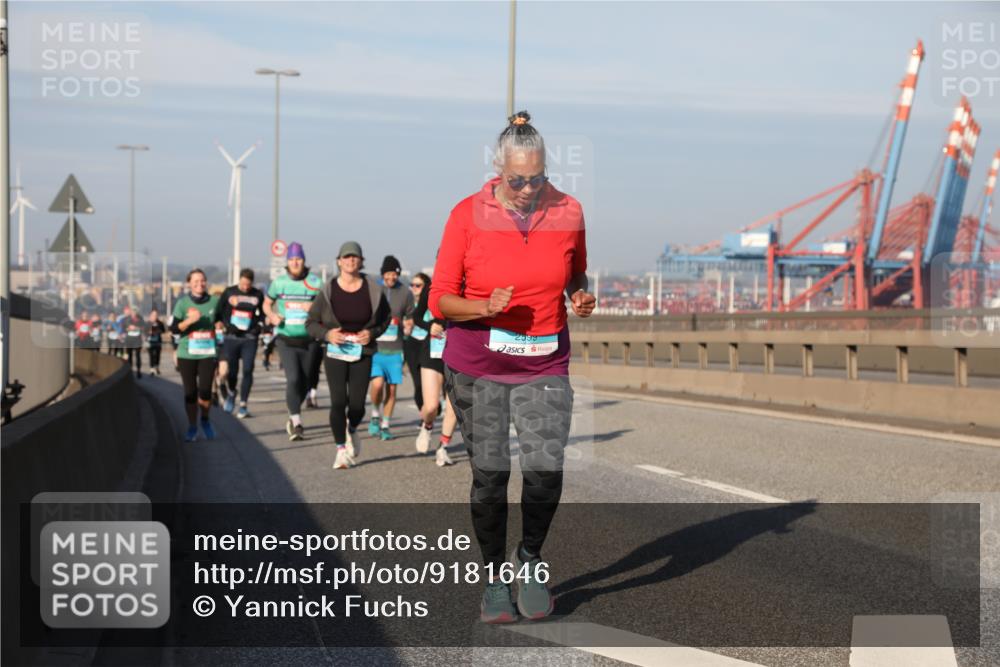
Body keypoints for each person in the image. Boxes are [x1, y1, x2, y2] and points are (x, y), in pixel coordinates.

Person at [429, 111, 596, 623]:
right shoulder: (465, 214)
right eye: (517, 180)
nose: (527, 189)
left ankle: (530, 560)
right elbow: (439, 300)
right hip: (477, 363)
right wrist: (483, 308)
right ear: (498, 171)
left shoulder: (569, 210)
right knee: (492, 473)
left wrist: (580, 294)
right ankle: (496, 575)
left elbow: (576, 268)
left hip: (544, 360)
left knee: (545, 469)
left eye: (538, 178)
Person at [307, 241, 390, 470]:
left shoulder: (373, 289)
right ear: (339, 261)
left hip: (362, 352)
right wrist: (327, 334)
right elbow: (310, 322)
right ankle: (341, 450)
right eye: (346, 257)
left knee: (356, 406)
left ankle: (352, 428)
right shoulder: (328, 289)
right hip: (335, 352)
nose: (351, 260)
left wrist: (371, 333)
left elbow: (385, 320)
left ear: (361, 261)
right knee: (338, 402)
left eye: (355, 257)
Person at [263, 242, 323, 441]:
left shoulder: (315, 282)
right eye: (292, 259)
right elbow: (266, 303)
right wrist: (272, 315)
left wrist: (313, 308)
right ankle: (296, 421)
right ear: (287, 262)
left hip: (310, 340)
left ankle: (296, 409)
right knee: (294, 379)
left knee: (306, 382)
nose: (295, 263)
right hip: (286, 339)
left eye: (298, 259)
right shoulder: (279, 283)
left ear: (304, 261)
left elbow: (326, 307)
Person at [411, 275, 458, 467]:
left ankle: (443, 448)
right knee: (430, 406)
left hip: (458, 351)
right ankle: (427, 426)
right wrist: (430, 325)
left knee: (453, 405)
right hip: (433, 349)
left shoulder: (471, 286)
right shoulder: (432, 288)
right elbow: (417, 316)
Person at [170, 268, 221, 442]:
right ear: (189, 284)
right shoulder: (182, 304)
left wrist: (221, 324)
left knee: (206, 391)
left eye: (202, 280)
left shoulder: (214, 301)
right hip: (187, 353)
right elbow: (174, 329)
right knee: (190, 393)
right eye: (196, 281)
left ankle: (205, 420)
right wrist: (189, 321)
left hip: (207, 352)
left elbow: (223, 319)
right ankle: (192, 426)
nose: (200, 284)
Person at [367, 255, 415, 441]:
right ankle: (374, 415)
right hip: (377, 348)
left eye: (395, 274)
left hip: (396, 350)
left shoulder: (405, 293)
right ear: (382, 274)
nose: (391, 277)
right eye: (388, 274)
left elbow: (410, 316)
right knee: (377, 384)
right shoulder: (375, 290)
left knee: (392, 390)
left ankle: (385, 425)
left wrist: (408, 325)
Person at [216, 268, 265, 418]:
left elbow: (263, 314)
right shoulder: (229, 292)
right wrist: (226, 325)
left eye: (248, 285)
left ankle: (243, 404)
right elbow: (219, 312)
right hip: (232, 337)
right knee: (232, 371)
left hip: (249, 338)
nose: (245, 287)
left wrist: (258, 327)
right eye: (243, 284)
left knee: (248, 369)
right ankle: (231, 392)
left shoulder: (257, 295)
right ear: (239, 280)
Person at [403, 272, 430, 413]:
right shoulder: (409, 303)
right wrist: (406, 326)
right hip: (412, 345)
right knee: (418, 384)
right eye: (412, 285)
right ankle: (423, 415)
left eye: (418, 285)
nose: (414, 288)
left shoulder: (432, 302)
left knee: (431, 383)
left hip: (429, 344)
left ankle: (433, 408)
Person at [123, 308, 145, 378]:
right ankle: (130, 371)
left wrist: (136, 328)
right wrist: (128, 328)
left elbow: (144, 328)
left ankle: (138, 371)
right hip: (129, 339)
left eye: (135, 312)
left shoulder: (140, 319)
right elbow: (123, 328)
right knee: (130, 356)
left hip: (137, 339)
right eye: (132, 312)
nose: (133, 313)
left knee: (138, 355)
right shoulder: (127, 319)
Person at [147, 309, 166, 375]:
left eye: (156, 315)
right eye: (153, 315)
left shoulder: (160, 323)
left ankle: (157, 366)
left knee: (157, 355)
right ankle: (152, 369)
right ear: (151, 315)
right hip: (149, 341)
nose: (155, 316)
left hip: (158, 341)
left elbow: (163, 331)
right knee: (151, 355)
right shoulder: (148, 323)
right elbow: (144, 331)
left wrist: (157, 331)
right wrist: (149, 332)